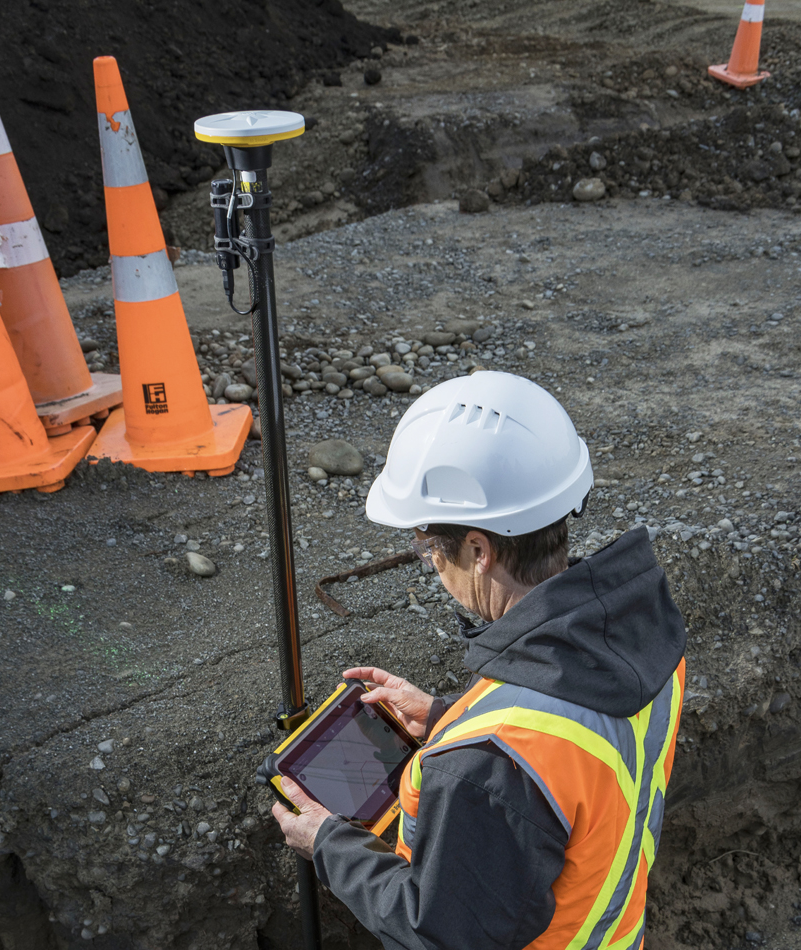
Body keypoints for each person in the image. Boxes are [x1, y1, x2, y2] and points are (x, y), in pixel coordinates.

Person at [273, 371, 686, 949]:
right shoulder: (643, 637)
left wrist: (328, 844)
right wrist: (447, 720)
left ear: (478, 550)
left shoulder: (485, 767)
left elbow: (440, 934)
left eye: (428, 551)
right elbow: (573, 768)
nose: (433, 568)